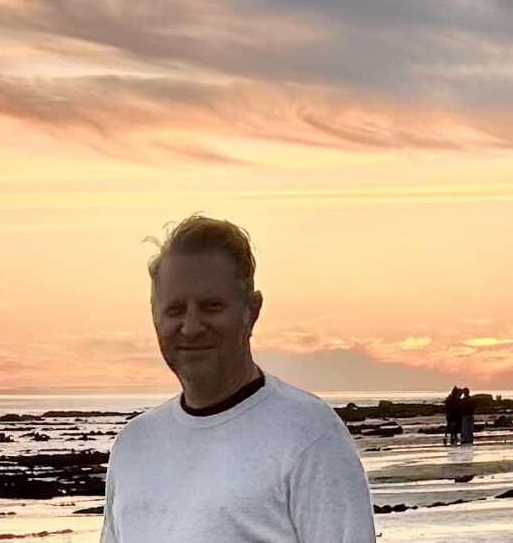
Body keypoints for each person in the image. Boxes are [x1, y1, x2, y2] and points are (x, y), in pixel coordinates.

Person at [99, 214, 375, 543]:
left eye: (211, 306)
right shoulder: (134, 445)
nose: (191, 326)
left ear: (251, 310)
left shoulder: (308, 434)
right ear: (154, 315)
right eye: (174, 309)